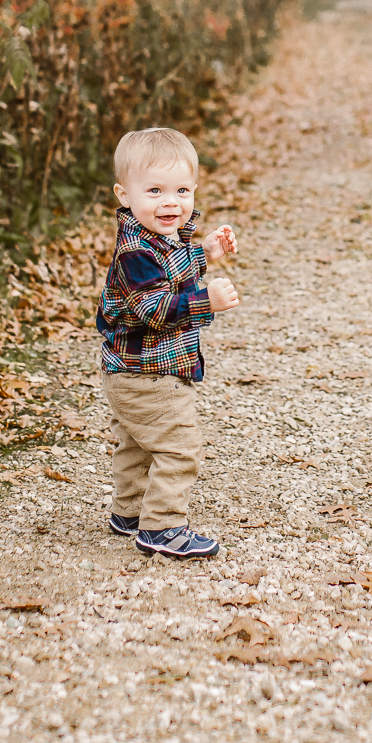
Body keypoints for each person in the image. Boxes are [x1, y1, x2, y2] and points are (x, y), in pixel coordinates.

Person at [96, 127, 241, 559]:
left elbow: (172, 265)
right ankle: (161, 526)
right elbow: (154, 307)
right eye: (155, 190)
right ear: (124, 195)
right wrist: (205, 301)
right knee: (179, 446)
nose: (170, 202)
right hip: (148, 376)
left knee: (138, 444)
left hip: (128, 372)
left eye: (181, 190)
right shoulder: (133, 254)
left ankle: (129, 512)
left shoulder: (155, 240)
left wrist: (206, 253)